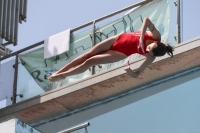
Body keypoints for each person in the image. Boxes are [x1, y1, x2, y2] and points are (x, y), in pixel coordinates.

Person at [48, 17, 174, 82]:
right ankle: (59, 71)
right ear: (156, 43)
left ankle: (63, 75)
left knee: (90, 61)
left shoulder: (151, 57)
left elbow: (136, 74)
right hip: (118, 38)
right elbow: (146, 20)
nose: (146, 49)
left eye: (148, 51)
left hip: (120, 53)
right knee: (87, 55)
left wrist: (129, 70)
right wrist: (141, 37)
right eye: (149, 47)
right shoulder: (156, 36)